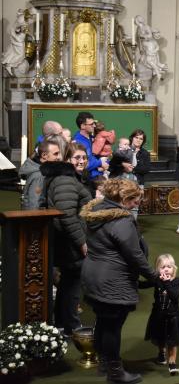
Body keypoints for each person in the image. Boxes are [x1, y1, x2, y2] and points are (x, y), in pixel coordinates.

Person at [80, 178, 158, 383]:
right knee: (113, 326)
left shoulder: (96, 211)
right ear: (123, 199)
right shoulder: (121, 220)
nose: (137, 203)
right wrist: (153, 276)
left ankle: (105, 363)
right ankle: (115, 371)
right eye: (134, 200)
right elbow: (135, 255)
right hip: (112, 279)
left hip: (93, 275)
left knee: (103, 321)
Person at [40, 144, 93, 337]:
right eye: (77, 158)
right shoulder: (65, 180)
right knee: (72, 284)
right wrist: (82, 242)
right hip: (69, 242)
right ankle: (71, 326)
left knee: (67, 284)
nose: (81, 161)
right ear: (67, 160)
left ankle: (63, 324)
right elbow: (67, 216)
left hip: (66, 240)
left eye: (84, 157)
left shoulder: (69, 178)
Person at [140, 254, 179, 376]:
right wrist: (131, 278)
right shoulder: (156, 280)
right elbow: (142, 285)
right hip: (158, 315)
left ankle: (172, 362)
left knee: (173, 340)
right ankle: (161, 353)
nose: (166, 269)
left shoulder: (177, 281)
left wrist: (166, 283)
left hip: (173, 316)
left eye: (169, 267)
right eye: (163, 267)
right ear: (158, 270)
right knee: (160, 337)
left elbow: (174, 296)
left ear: (174, 268)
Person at [20, 140, 62, 209]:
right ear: (44, 155)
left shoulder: (43, 172)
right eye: (56, 154)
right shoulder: (39, 176)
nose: (59, 157)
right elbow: (34, 204)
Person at [73, 111, 109, 181]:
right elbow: (82, 165)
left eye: (94, 123)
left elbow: (92, 157)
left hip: (97, 173)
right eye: (91, 124)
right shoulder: (78, 142)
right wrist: (100, 162)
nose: (94, 126)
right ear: (83, 126)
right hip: (90, 179)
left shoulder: (91, 137)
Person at [135, 15, 167, 80]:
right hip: (145, 46)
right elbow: (138, 39)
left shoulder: (146, 27)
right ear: (137, 21)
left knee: (149, 60)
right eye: (139, 18)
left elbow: (150, 35)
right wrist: (140, 48)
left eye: (141, 18)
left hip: (150, 44)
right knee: (143, 61)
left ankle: (158, 72)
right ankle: (158, 70)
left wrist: (143, 37)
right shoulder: (138, 29)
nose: (141, 19)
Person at [1, 8, 29, 77]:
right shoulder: (20, 19)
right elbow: (17, 35)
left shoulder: (20, 22)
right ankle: (9, 65)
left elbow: (18, 29)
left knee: (19, 55)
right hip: (18, 43)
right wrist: (14, 33)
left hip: (18, 43)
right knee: (20, 55)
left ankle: (9, 65)